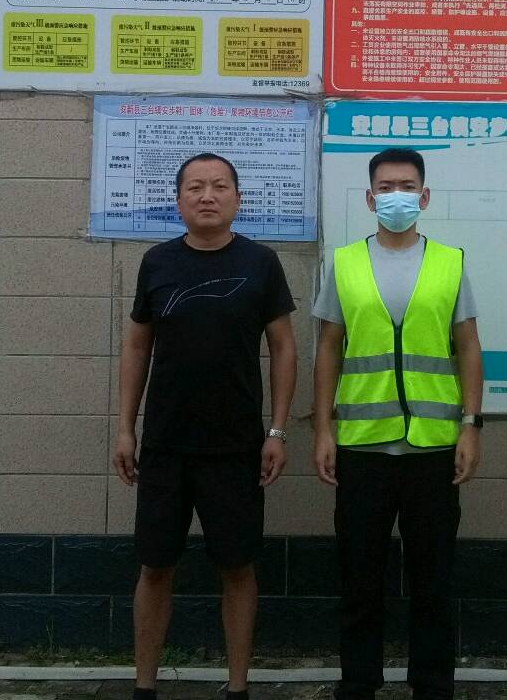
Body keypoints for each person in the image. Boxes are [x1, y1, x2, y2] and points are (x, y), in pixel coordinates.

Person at [113, 152, 297, 700]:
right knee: (155, 567)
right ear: (178, 200)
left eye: (219, 186)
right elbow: (137, 345)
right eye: (195, 187)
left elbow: (284, 347)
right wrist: (125, 427)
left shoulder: (261, 262)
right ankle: (144, 686)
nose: (207, 195)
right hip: (165, 446)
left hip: (236, 448)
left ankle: (237, 686)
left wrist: (277, 431)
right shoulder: (157, 262)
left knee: (237, 567)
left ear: (238, 198)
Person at [311, 147, 484, 700]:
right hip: (362, 448)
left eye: (406, 186)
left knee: (434, 583)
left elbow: (468, 346)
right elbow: (328, 348)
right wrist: (322, 429)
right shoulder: (343, 263)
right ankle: (358, 684)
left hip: (433, 450)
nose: (396, 196)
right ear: (370, 198)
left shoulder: (450, 262)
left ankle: (432, 686)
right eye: (385, 187)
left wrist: (471, 424)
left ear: (424, 196)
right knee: (359, 581)